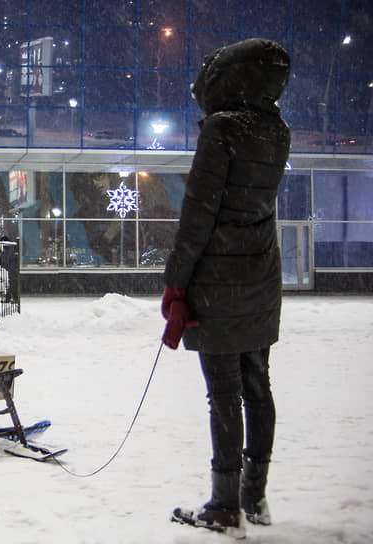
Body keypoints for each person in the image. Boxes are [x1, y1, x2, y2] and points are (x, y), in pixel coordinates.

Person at [161, 38, 291, 538]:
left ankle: (223, 506)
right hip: (260, 274)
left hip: (218, 278)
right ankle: (253, 496)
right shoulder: (275, 129)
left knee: (224, 393)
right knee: (257, 386)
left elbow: (199, 213)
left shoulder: (222, 129)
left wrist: (176, 281)